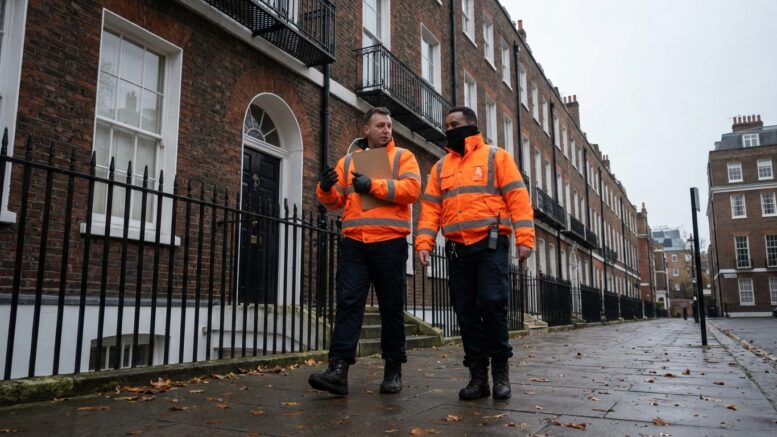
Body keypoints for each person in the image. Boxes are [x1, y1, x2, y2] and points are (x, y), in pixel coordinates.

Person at [415, 107, 534, 401]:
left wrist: (525, 238)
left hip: (491, 245)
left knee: (493, 304)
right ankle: (478, 377)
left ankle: (501, 373)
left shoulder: (496, 157)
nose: (449, 129)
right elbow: (431, 208)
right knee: (466, 313)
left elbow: (518, 197)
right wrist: (423, 242)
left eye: (455, 124)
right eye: (446, 125)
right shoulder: (440, 168)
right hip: (457, 249)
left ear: (472, 125)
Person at [309, 107, 421, 396]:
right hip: (355, 244)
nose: (387, 130)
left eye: (389, 125)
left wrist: (373, 185)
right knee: (347, 304)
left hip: (390, 242)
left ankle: (393, 368)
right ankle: (337, 370)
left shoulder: (402, 157)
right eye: (381, 125)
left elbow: (411, 190)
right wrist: (324, 188)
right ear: (366, 130)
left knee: (391, 308)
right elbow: (337, 202)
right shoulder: (348, 162)